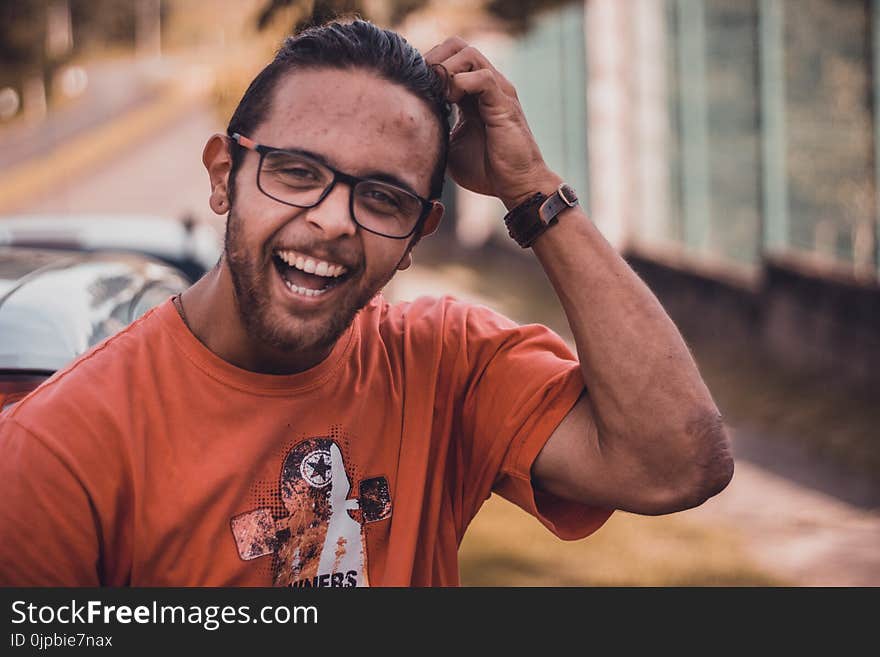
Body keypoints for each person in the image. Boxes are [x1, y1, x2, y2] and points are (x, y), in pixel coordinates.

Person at [0, 19, 732, 587]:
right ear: (224, 175)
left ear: (418, 235)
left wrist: (532, 190)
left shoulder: (443, 363)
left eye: (382, 197)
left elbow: (676, 462)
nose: (334, 220)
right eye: (296, 172)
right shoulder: (56, 450)